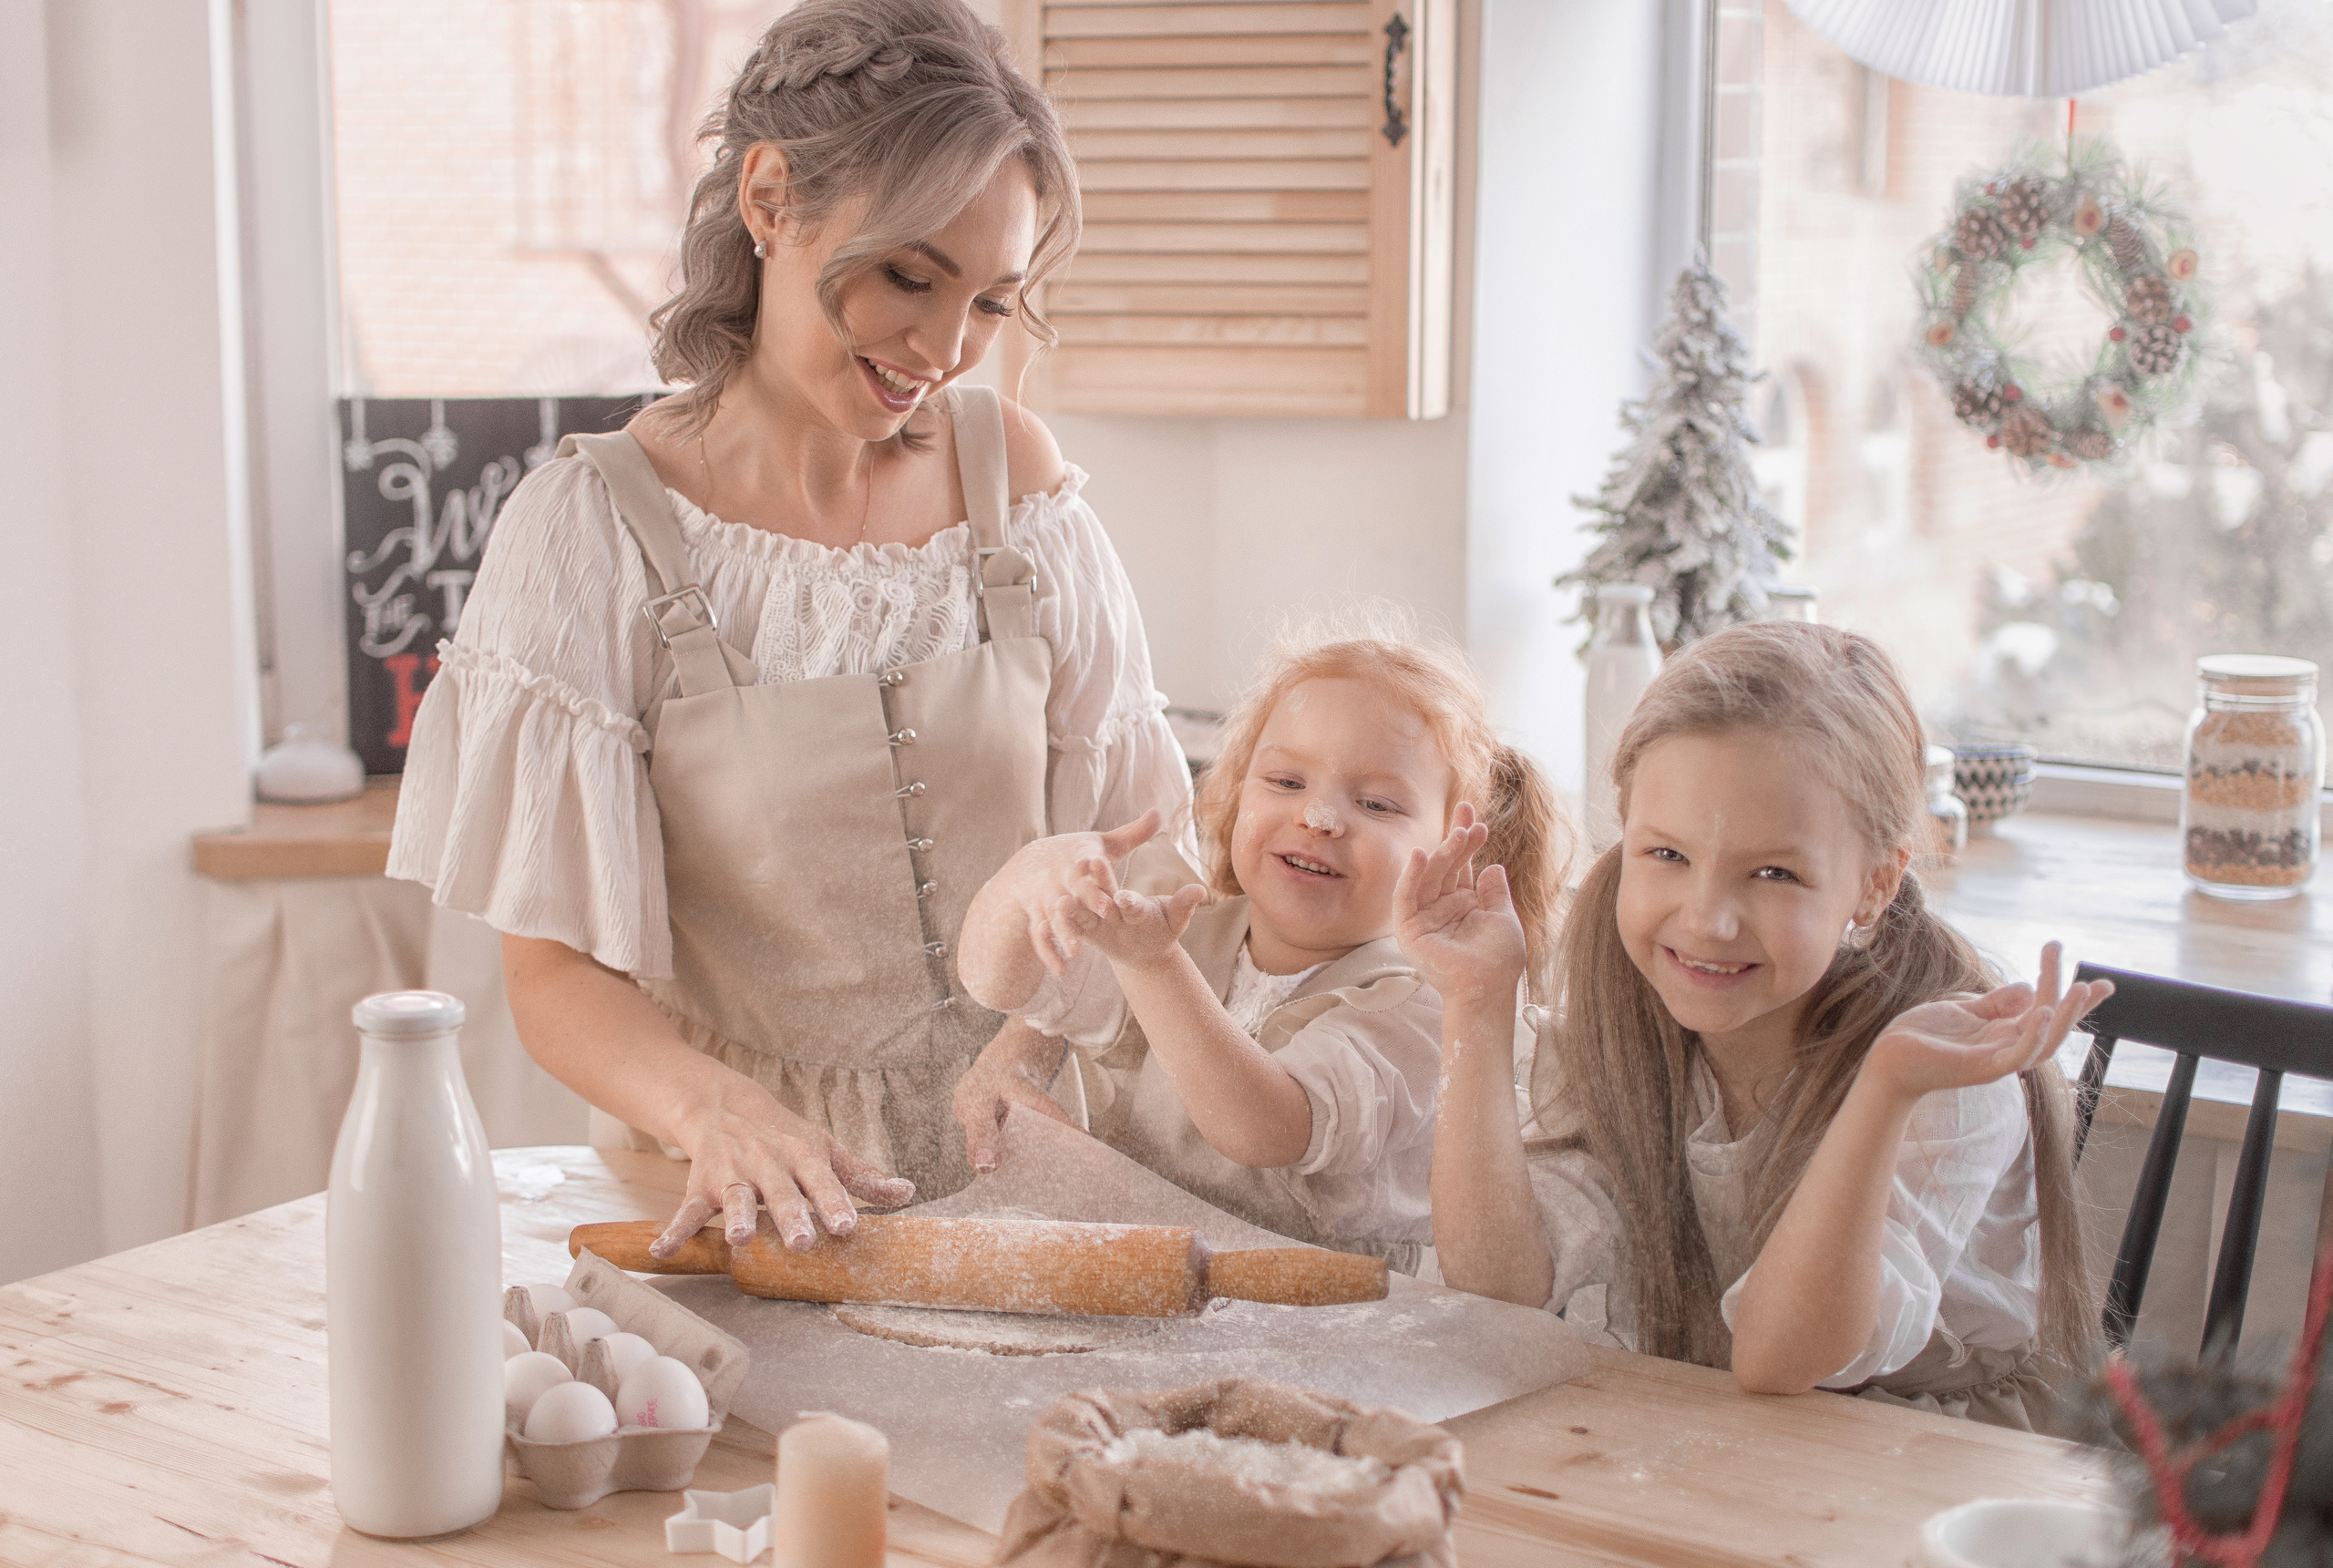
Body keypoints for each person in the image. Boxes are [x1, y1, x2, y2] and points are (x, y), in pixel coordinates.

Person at [387, 0, 1191, 1262]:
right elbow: (551, 979)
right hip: (733, 1202)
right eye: (910, 277)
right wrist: (717, 1110)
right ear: (769, 198)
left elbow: (1135, 858)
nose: (944, 348)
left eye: (990, 299)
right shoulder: (594, 528)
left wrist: (1037, 1039)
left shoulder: (1018, 489)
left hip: (1028, 1182)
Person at [1398, 621, 2108, 1429]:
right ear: (1625, 825)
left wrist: (1884, 1089)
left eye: (1775, 873)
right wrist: (1477, 1002)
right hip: (1731, 1432)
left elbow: (1780, 1357)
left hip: (1929, 1460)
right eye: (1667, 854)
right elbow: (1501, 1281)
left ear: (1875, 885)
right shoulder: (1618, 997)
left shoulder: (1943, 1071)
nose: (1708, 919)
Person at [958, 625, 1566, 1268]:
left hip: (1333, 1330)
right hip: (1154, 1297)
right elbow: (997, 983)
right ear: (1235, 790)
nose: (1321, 817)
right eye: (1285, 781)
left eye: (1377, 803)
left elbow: (1262, 1126)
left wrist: (1153, 965)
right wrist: (1028, 879)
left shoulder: (1418, 1009)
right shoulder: (1178, 923)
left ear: (1453, 844)